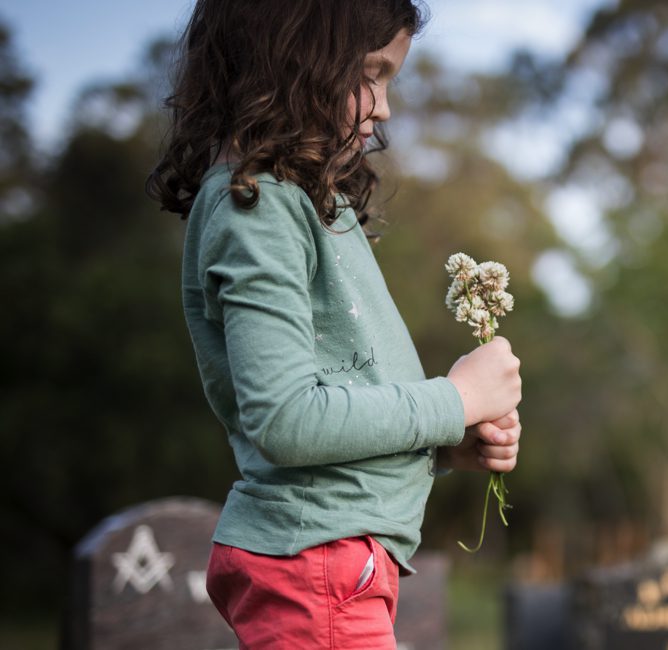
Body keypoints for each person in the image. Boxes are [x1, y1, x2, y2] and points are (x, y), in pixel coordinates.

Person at [146, 1, 522, 647]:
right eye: (371, 73)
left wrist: (440, 445)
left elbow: (333, 402)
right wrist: (454, 399)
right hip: (318, 561)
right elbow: (288, 420)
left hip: (332, 561)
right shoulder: (255, 206)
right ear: (291, 57)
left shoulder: (296, 200)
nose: (384, 107)